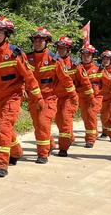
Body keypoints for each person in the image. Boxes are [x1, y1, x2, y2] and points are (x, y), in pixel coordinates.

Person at [0, 17, 43, 177]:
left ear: (7, 34)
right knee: (3, 128)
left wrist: (38, 97)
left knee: (4, 128)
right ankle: (16, 152)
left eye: (0, 32)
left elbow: (29, 77)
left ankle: (1, 165)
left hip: (13, 97)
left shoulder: (15, 54)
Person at [26, 28, 77, 164]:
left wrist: (73, 96)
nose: (37, 43)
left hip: (49, 99)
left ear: (46, 42)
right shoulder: (27, 58)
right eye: (35, 40)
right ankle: (49, 145)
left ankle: (42, 154)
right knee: (38, 126)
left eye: (41, 40)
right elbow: (21, 76)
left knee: (43, 123)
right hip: (33, 99)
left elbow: (66, 79)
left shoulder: (54, 60)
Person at [54, 37, 93, 156]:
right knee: (59, 121)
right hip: (55, 97)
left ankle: (63, 148)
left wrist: (90, 98)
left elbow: (85, 82)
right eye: (59, 48)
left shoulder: (75, 64)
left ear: (69, 50)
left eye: (63, 48)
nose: (60, 51)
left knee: (66, 119)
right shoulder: (53, 61)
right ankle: (69, 138)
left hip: (70, 97)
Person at [78, 44, 102, 148]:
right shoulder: (78, 68)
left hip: (96, 97)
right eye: (83, 55)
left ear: (92, 56)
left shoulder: (98, 69)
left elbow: (108, 82)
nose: (86, 57)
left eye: (88, 55)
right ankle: (93, 133)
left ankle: (90, 139)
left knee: (91, 115)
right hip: (83, 97)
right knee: (85, 117)